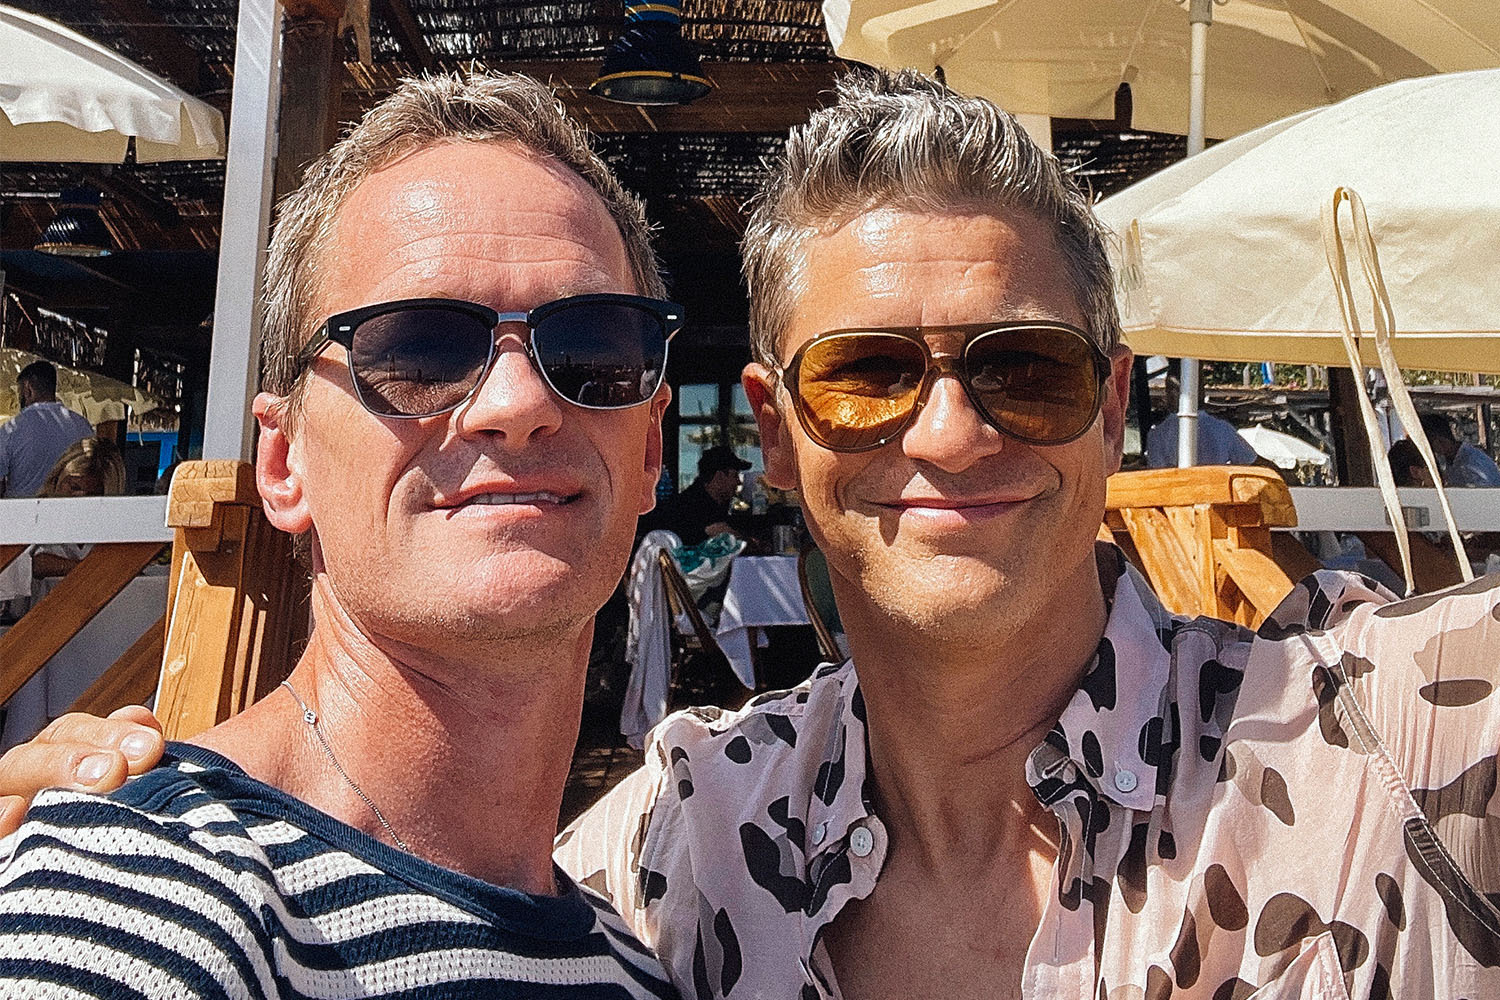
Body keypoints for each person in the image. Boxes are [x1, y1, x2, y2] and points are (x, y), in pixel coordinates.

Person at [5, 71, 1498, 1000]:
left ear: (1112, 410)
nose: (949, 433)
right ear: (772, 432)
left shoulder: (1400, 736)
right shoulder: (691, 835)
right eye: (868, 374)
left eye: (1023, 369)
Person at [0, 72, 678, 999]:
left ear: (650, 449)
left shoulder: (635, 968)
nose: (519, 405)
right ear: (285, 464)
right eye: (417, 350)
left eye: (594, 346)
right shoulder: (151, 883)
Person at [0, 360, 94, 497]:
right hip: (70, 509)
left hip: (21, 512)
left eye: (19, 391)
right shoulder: (82, 426)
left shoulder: (12, 430)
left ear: (28, 389)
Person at [638, 444, 750, 545]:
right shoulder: (684, 507)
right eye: (735, 475)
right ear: (719, 477)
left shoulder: (719, 507)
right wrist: (705, 532)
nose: (738, 482)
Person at [1145, 376, 1259, 468]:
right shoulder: (1223, 429)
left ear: (1169, 394)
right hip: (1215, 493)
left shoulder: (1157, 434)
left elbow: (1157, 473)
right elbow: (1253, 461)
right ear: (1201, 393)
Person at [1419, 411, 1500, 487]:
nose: (1431, 451)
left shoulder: (1469, 464)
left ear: (1441, 441)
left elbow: (1482, 497)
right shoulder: (1451, 459)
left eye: (1429, 445)